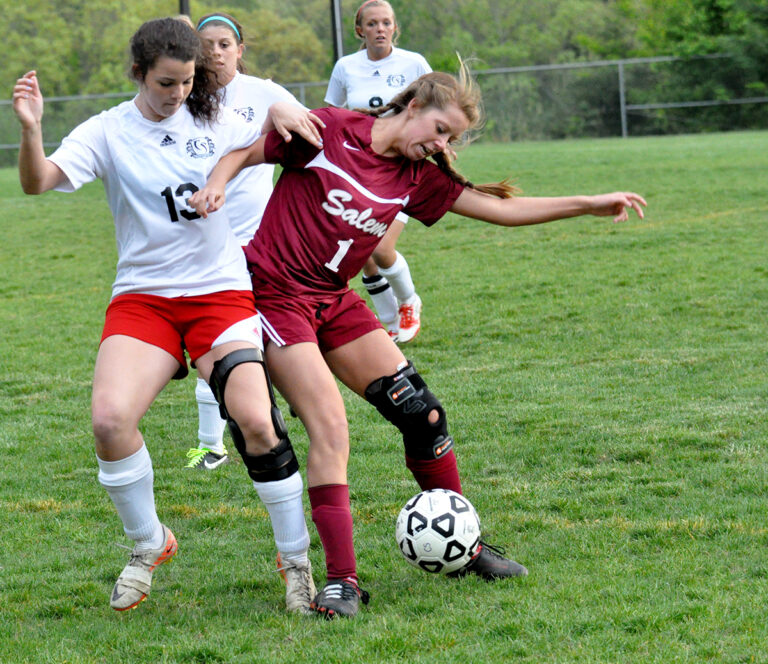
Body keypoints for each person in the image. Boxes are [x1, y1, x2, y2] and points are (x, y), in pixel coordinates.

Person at [189, 64, 646, 619]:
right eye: (439, 129)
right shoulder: (331, 130)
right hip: (276, 296)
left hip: (334, 296)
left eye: (450, 138)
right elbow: (244, 152)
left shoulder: (416, 175)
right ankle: (342, 581)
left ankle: (464, 546)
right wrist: (216, 183)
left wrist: (588, 203)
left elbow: (498, 210)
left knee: (423, 414)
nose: (441, 144)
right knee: (330, 426)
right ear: (412, 107)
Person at [11, 17, 323, 615]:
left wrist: (282, 112)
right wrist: (32, 131)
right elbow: (38, 181)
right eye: (164, 84)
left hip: (220, 295)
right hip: (144, 299)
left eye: (185, 83)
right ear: (138, 73)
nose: (177, 94)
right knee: (109, 421)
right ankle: (148, 543)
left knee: (257, 423)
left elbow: (287, 136)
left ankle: (296, 562)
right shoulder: (106, 131)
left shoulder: (217, 117)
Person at [184, 12, 308, 483]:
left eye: (223, 43)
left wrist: (282, 113)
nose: (214, 51)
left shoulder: (265, 93)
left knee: (256, 339)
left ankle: (273, 406)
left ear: (240, 49)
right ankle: (212, 445)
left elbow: (313, 133)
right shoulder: (181, 95)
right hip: (198, 244)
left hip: (258, 245)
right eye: (205, 44)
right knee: (208, 350)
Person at [325, 0, 431, 344]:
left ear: (395, 28)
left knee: (381, 248)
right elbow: (333, 113)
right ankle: (387, 320)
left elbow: (439, 105)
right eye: (372, 24)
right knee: (359, 249)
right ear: (360, 31)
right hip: (357, 167)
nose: (380, 29)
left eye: (386, 22)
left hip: (401, 168)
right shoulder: (346, 67)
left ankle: (408, 301)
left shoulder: (413, 63)